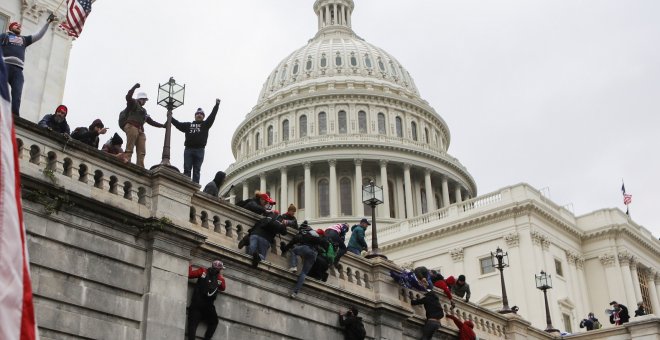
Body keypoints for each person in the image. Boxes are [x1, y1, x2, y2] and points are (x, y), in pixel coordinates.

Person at [1, 14, 55, 116]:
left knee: (17, 94)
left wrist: (48, 22)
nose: (19, 27)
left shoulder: (24, 40)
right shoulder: (4, 36)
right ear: (10, 27)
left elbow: (39, 35)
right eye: (16, 25)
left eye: (20, 26)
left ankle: (15, 116)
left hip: (18, 70)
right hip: (4, 67)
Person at [171, 100, 220, 183]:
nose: (199, 115)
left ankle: (195, 187)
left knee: (197, 170)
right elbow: (178, 124)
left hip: (200, 150)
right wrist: (170, 117)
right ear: (195, 116)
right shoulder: (188, 125)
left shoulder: (205, 125)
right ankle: (185, 185)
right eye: (197, 114)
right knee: (187, 169)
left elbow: (212, 116)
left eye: (201, 114)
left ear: (203, 116)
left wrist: (216, 105)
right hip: (188, 149)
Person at [120, 83, 165, 167]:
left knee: (142, 151)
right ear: (140, 99)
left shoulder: (144, 111)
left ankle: (140, 166)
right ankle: (126, 159)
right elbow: (128, 97)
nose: (144, 101)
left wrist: (162, 125)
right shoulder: (133, 103)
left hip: (140, 130)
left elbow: (151, 121)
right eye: (144, 99)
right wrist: (134, 87)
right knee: (130, 147)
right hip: (132, 126)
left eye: (145, 100)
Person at [187, 260, 226, 340]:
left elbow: (189, 274)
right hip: (208, 307)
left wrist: (190, 266)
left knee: (192, 325)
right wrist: (221, 276)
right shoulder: (219, 279)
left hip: (196, 304)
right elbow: (223, 288)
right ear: (220, 269)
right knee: (214, 323)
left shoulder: (202, 271)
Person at [288, 223, 326, 298]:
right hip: (314, 254)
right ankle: (295, 292)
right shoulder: (321, 240)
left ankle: (294, 266)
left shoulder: (310, 233)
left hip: (306, 248)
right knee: (304, 273)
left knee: (294, 251)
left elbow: (300, 238)